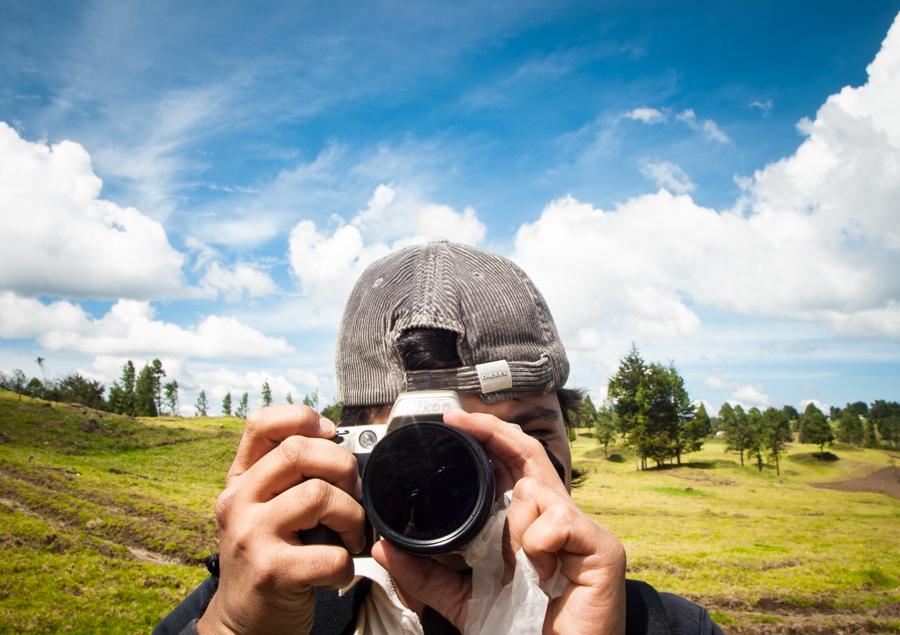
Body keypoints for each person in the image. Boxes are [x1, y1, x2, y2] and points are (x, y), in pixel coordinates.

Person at [155, 241, 722, 635]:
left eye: (526, 434)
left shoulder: (660, 627)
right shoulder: (262, 607)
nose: (478, 482)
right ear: (353, 455)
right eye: (433, 450)